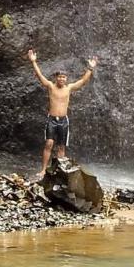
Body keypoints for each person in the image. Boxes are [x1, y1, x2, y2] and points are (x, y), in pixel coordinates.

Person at [27, 49, 98, 180]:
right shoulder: (50, 86)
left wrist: (90, 68)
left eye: (64, 77)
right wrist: (33, 61)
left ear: (66, 79)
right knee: (49, 143)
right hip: (52, 120)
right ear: (56, 78)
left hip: (64, 121)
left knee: (61, 147)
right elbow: (40, 76)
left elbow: (83, 81)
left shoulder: (69, 88)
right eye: (59, 77)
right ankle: (43, 170)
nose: (61, 79)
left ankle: (60, 172)